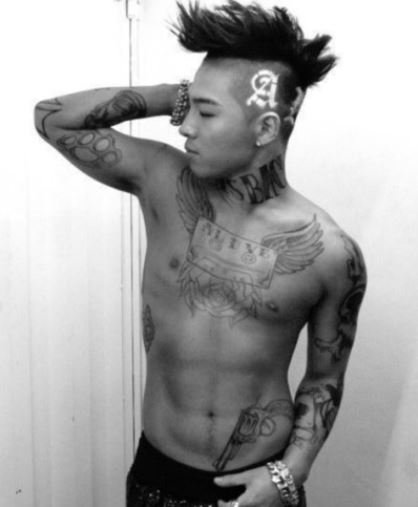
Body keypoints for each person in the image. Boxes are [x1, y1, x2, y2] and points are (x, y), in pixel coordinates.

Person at [34, 1, 367, 506]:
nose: (184, 124)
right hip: (158, 477)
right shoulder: (162, 182)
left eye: (206, 113)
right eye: (188, 105)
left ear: (265, 129)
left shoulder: (332, 253)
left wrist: (290, 473)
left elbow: (324, 379)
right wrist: (179, 93)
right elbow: (54, 119)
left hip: (260, 484)